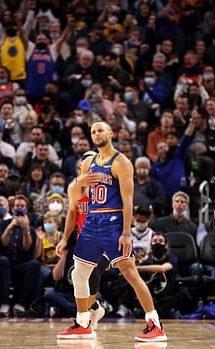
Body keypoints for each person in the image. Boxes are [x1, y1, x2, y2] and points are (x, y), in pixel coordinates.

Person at [57, 122, 166, 341]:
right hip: (91, 222)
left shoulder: (122, 162)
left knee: (129, 272)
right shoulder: (89, 162)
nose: (97, 134)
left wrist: (126, 233)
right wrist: (80, 180)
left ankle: (155, 324)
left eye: (100, 130)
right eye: (93, 132)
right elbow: (75, 193)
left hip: (113, 221)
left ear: (111, 133)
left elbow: (128, 200)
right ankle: (82, 322)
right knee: (79, 273)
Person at [55, 151, 107, 328]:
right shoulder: (74, 188)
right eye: (89, 160)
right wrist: (64, 239)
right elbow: (71, 214)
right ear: (81, 165)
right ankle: (93, 308)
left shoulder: (104, 186)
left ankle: (83, 319)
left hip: (105, 238)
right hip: (84, 239)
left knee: (94, 272)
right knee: (79, 277)